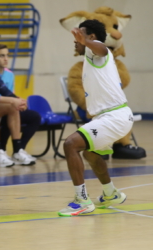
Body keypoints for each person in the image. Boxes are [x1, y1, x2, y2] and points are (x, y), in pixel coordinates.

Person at [58, 20, 133, 217]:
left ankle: (81, 200)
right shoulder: (89, 60)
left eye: (79, 37)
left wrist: (88, 42)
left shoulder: (98, 52)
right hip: (110, 116)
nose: (75, 41)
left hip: (114, 116)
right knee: (90, 154)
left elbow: (102, 48)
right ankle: (111, 193)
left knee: (70, 144)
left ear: (91, 37)